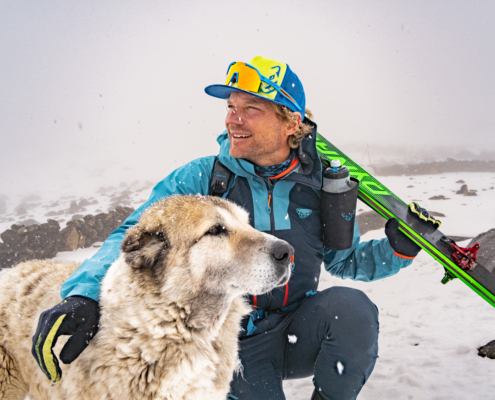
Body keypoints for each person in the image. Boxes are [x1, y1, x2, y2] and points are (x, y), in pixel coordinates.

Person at [32, 56, 436, 400]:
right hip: (231, 339)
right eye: (231, 107)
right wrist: (84, 295)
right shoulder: (200, 179)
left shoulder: (320, 188)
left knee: (352, 310)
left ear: (290, 122)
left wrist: (396, 248)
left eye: (250, 110)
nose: (233, 120)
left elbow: (346, 263)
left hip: (297, 326)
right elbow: (132, 236)